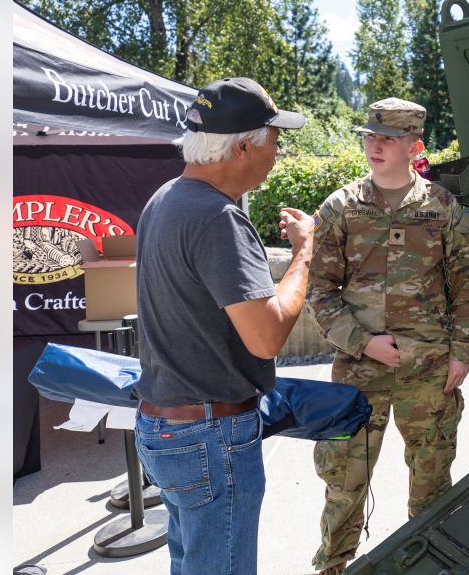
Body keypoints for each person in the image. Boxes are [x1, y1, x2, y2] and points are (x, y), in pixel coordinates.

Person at [133, 77, 313, 575]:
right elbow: (267, 336)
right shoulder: (217, 219)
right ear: (241, 147)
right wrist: (304, 252)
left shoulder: (166, 198)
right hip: (208, 437)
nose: (277, 151)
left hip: (164, 428)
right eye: (274, 139)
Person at [309, 98, 469, 574]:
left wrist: (462, 352)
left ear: (415, 145)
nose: (375, 144)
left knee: (431, 482)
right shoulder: (340, 208)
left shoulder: (441, 206)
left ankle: (426, 563)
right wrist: (363, 342)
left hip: (428, 371)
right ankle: (332, 567)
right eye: (370, 135)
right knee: (345, 481)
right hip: (358, 369)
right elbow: (319, 291)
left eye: (388, 137)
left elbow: (466, 283)